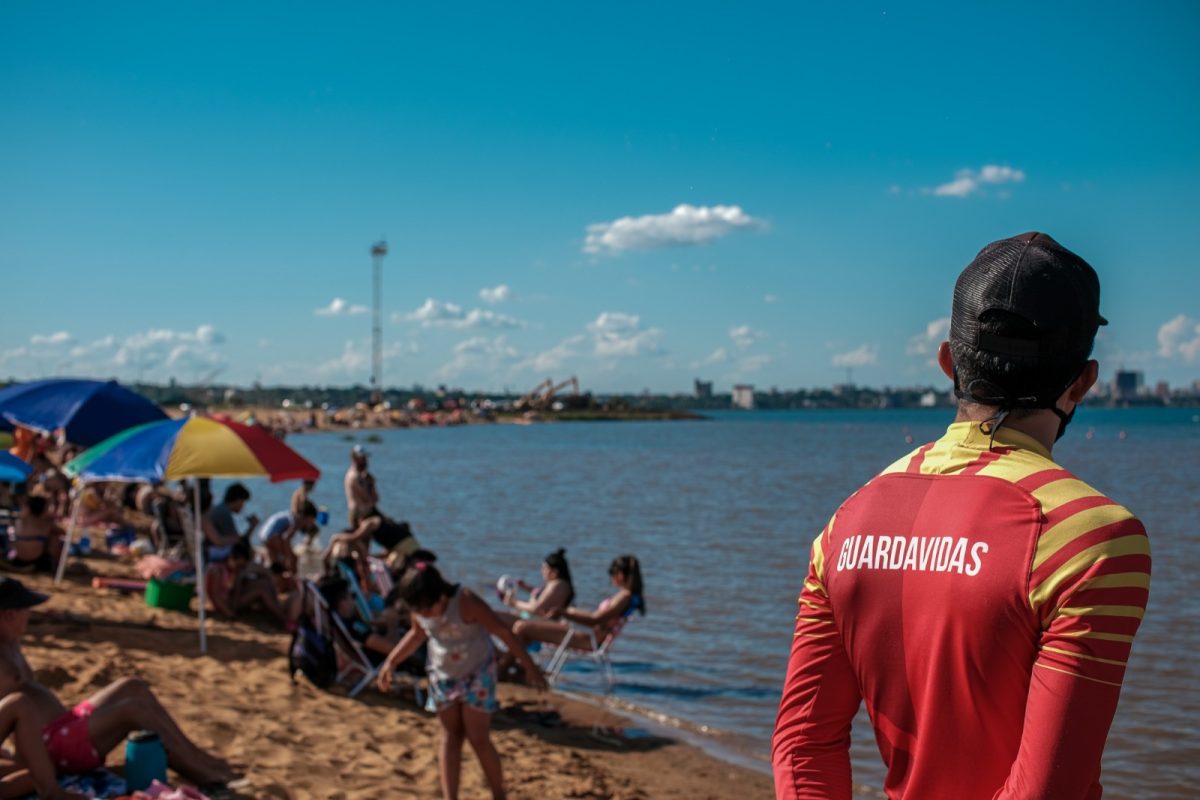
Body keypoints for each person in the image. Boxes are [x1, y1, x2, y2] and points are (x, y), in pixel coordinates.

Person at [771, 233, 1152, 799]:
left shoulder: (844, 525)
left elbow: (803, 743)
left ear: (949, 360)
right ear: (1083, 381)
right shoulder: (1093, 538)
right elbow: (1052, 787)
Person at [0, 578, 236, 796]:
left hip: (62, 726)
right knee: (133, 710)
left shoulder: (13, 642)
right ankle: (206, 778)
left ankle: (205, 761)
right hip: (52, 746)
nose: (31, 613)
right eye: (26, 609)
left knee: (132, 686)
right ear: (9, 615)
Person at [378, 562, 546, 800]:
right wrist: (391, 662)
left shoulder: (465, 601)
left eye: (427, 610)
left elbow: (503, 632)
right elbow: (416, 634)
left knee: (478, 737)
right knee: (450, 736)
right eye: (419, 611)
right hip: (443, 674)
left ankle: (499, 794)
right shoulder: (420, 607)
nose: (424, 615)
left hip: (478, 672)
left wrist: (530, 667)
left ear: (440, 596)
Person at [511, 555, 645, 654]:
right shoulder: (628, 597)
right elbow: (596, 617)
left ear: (620, 575)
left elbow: (595, 620)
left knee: (521, 627)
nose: (611, 579)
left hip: (587, 639)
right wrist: (568, 611)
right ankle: (519, 667)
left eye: (612, 574)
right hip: (587, 635)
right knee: (525, 627)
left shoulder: (623, 597)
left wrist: (565, 614)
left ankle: (511, 668)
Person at [205, 540, 298, 631]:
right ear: (232, 558)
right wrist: (230, 613)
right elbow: (216, 595)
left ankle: (279, 613)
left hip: (231, 600)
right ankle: (285, 620)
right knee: (262, 590)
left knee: (263, 583)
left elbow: (234, 589)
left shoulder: (232, 570)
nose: (240, 568)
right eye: (239, 565)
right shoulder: (218, 571)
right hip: (226, 605)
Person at [495, 548, 575, 628]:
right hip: (532, 618)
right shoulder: (559, 584)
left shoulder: (557, 585)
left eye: (544, 568)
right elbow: (545, 596)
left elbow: (535, 608)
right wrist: (526, 587)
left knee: (495, 616)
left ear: (554, 572)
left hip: (539, 623)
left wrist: (514, 602)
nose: (542, 571)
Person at [255, 502, 318, 576]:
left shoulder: (289, 515)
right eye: (312, 520)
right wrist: (289, 556)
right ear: (308, 517)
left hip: (264, 535)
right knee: (293, 558)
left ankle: (269, 574)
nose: (311, 523)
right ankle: (292, 578)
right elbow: (286, 538)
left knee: (274, 560)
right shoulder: (297, 521)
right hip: (272, 536)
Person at [6, 496, 64, 574]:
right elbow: (63, 532)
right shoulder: (46, 524)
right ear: (43, 509)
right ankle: (54, 567)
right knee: (55, 538)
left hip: (16, 559)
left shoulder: (20, 521)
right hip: (37, 562)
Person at [206, 483, 258, 549]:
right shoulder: (224, 513)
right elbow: (239, 543)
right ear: (238, 500)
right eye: (243, 502)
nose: (243, 506)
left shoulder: (221, 508)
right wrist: (252, 526)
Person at [343, 446, 379, 527]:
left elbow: (375, 499)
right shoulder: (354, 476)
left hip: (363, 512)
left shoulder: (361, 476)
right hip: (358, 514)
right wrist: (371, 484)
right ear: (354, 459)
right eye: (362, 458)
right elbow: (369, 498)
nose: (365, 461)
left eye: (365, 458)